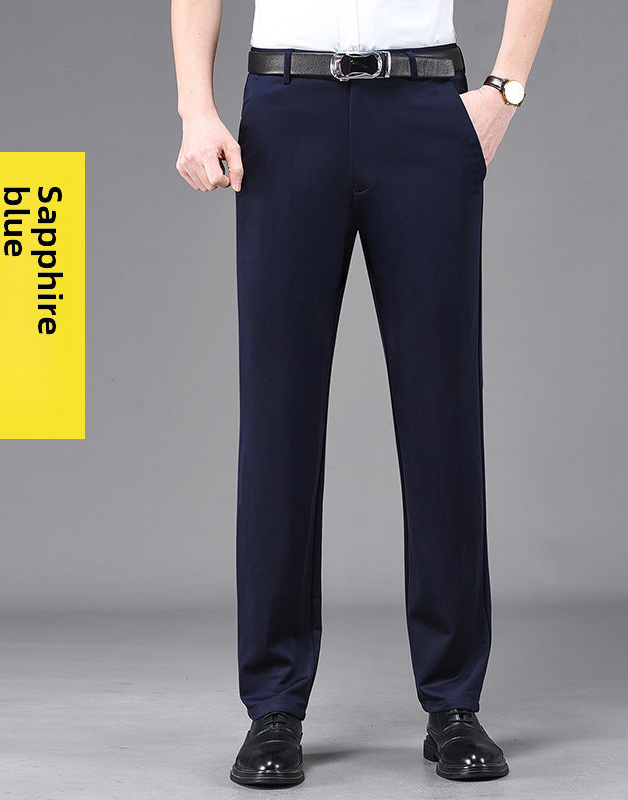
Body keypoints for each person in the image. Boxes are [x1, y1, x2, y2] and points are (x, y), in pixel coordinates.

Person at [172, 0, 552, 786]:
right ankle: (273, 707)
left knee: (443, 414)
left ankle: (453, 702)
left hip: (423, 107)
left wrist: (504, 90)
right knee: (277, 420)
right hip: (286, 111)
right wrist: (196, 107)